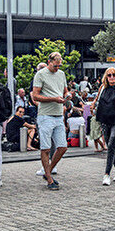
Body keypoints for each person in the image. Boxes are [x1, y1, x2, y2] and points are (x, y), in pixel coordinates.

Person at [31, 51, 70, 190]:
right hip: (45, 115)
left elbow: (65, 90)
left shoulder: (61, 74)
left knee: (62, 147)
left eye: (59, 66)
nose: (57, 68)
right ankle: (49, 179)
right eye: (55, 66)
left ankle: (48, 172)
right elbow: (35, 96)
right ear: (49, 62)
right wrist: (53, 99)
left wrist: (67, 95)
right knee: (46, 148)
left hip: (59, 115)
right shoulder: (40, 75)